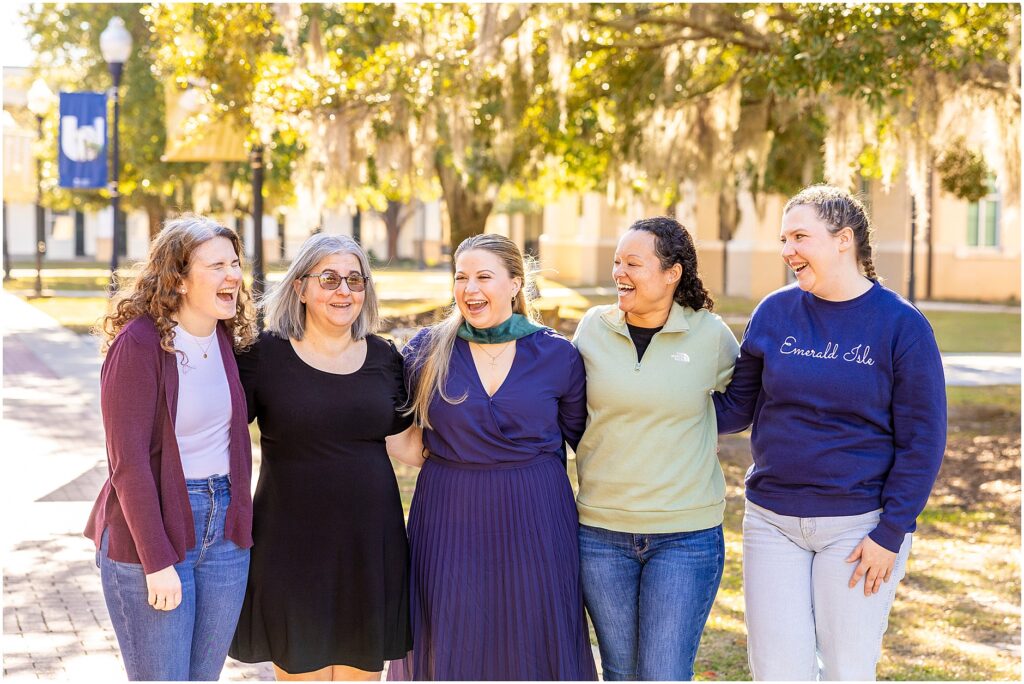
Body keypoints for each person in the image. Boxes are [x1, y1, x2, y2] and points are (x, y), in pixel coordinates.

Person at [714, 184, 947, 680]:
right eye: (782, 239)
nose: (787, 251)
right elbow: (736, 409)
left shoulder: (901, 326)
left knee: (847, 670)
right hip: (772, 522)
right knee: (777, 671)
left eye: (799, 236)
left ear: (844, 240)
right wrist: (653, 399)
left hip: (859, 528)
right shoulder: (775, 312)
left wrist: (891, 533)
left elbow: (923, 441)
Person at [387, 234, 597, 681]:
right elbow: (398, 432)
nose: (470, 289)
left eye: (484, 276)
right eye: (461, 277)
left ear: (516, 283)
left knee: (533, 632)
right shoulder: (427, 350)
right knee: (452, 632)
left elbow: (586, 439)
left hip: (537, 513)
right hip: (450, 511)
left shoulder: (557, 354)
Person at [228, 234, 416, 681]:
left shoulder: (385, 357)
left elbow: (409, 446)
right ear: (300, 287)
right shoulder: (263, 355)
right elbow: (217, 430)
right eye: (329, 278)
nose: (344, 291)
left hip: (369, 546)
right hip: (291, 547)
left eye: (355, 279)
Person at [85, 215, 257, 681]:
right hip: (154, 531)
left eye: (236, 264)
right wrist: (156, 562)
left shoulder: (225, 337)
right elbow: (129, 464)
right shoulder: (138, 345)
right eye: (216, 266)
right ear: (178, 279)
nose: (234, 276)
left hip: (223, 534)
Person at [570, 216, 739, 681]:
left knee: (664, 673)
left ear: (672, 273)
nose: (619, 273)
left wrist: (692, 427)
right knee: (621, 672)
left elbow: (743, 401)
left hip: (685, 536)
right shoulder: (592, 329)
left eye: (633, 263)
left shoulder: (710, 336)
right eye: (617, 262)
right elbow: (567, 406)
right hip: (601, 534)